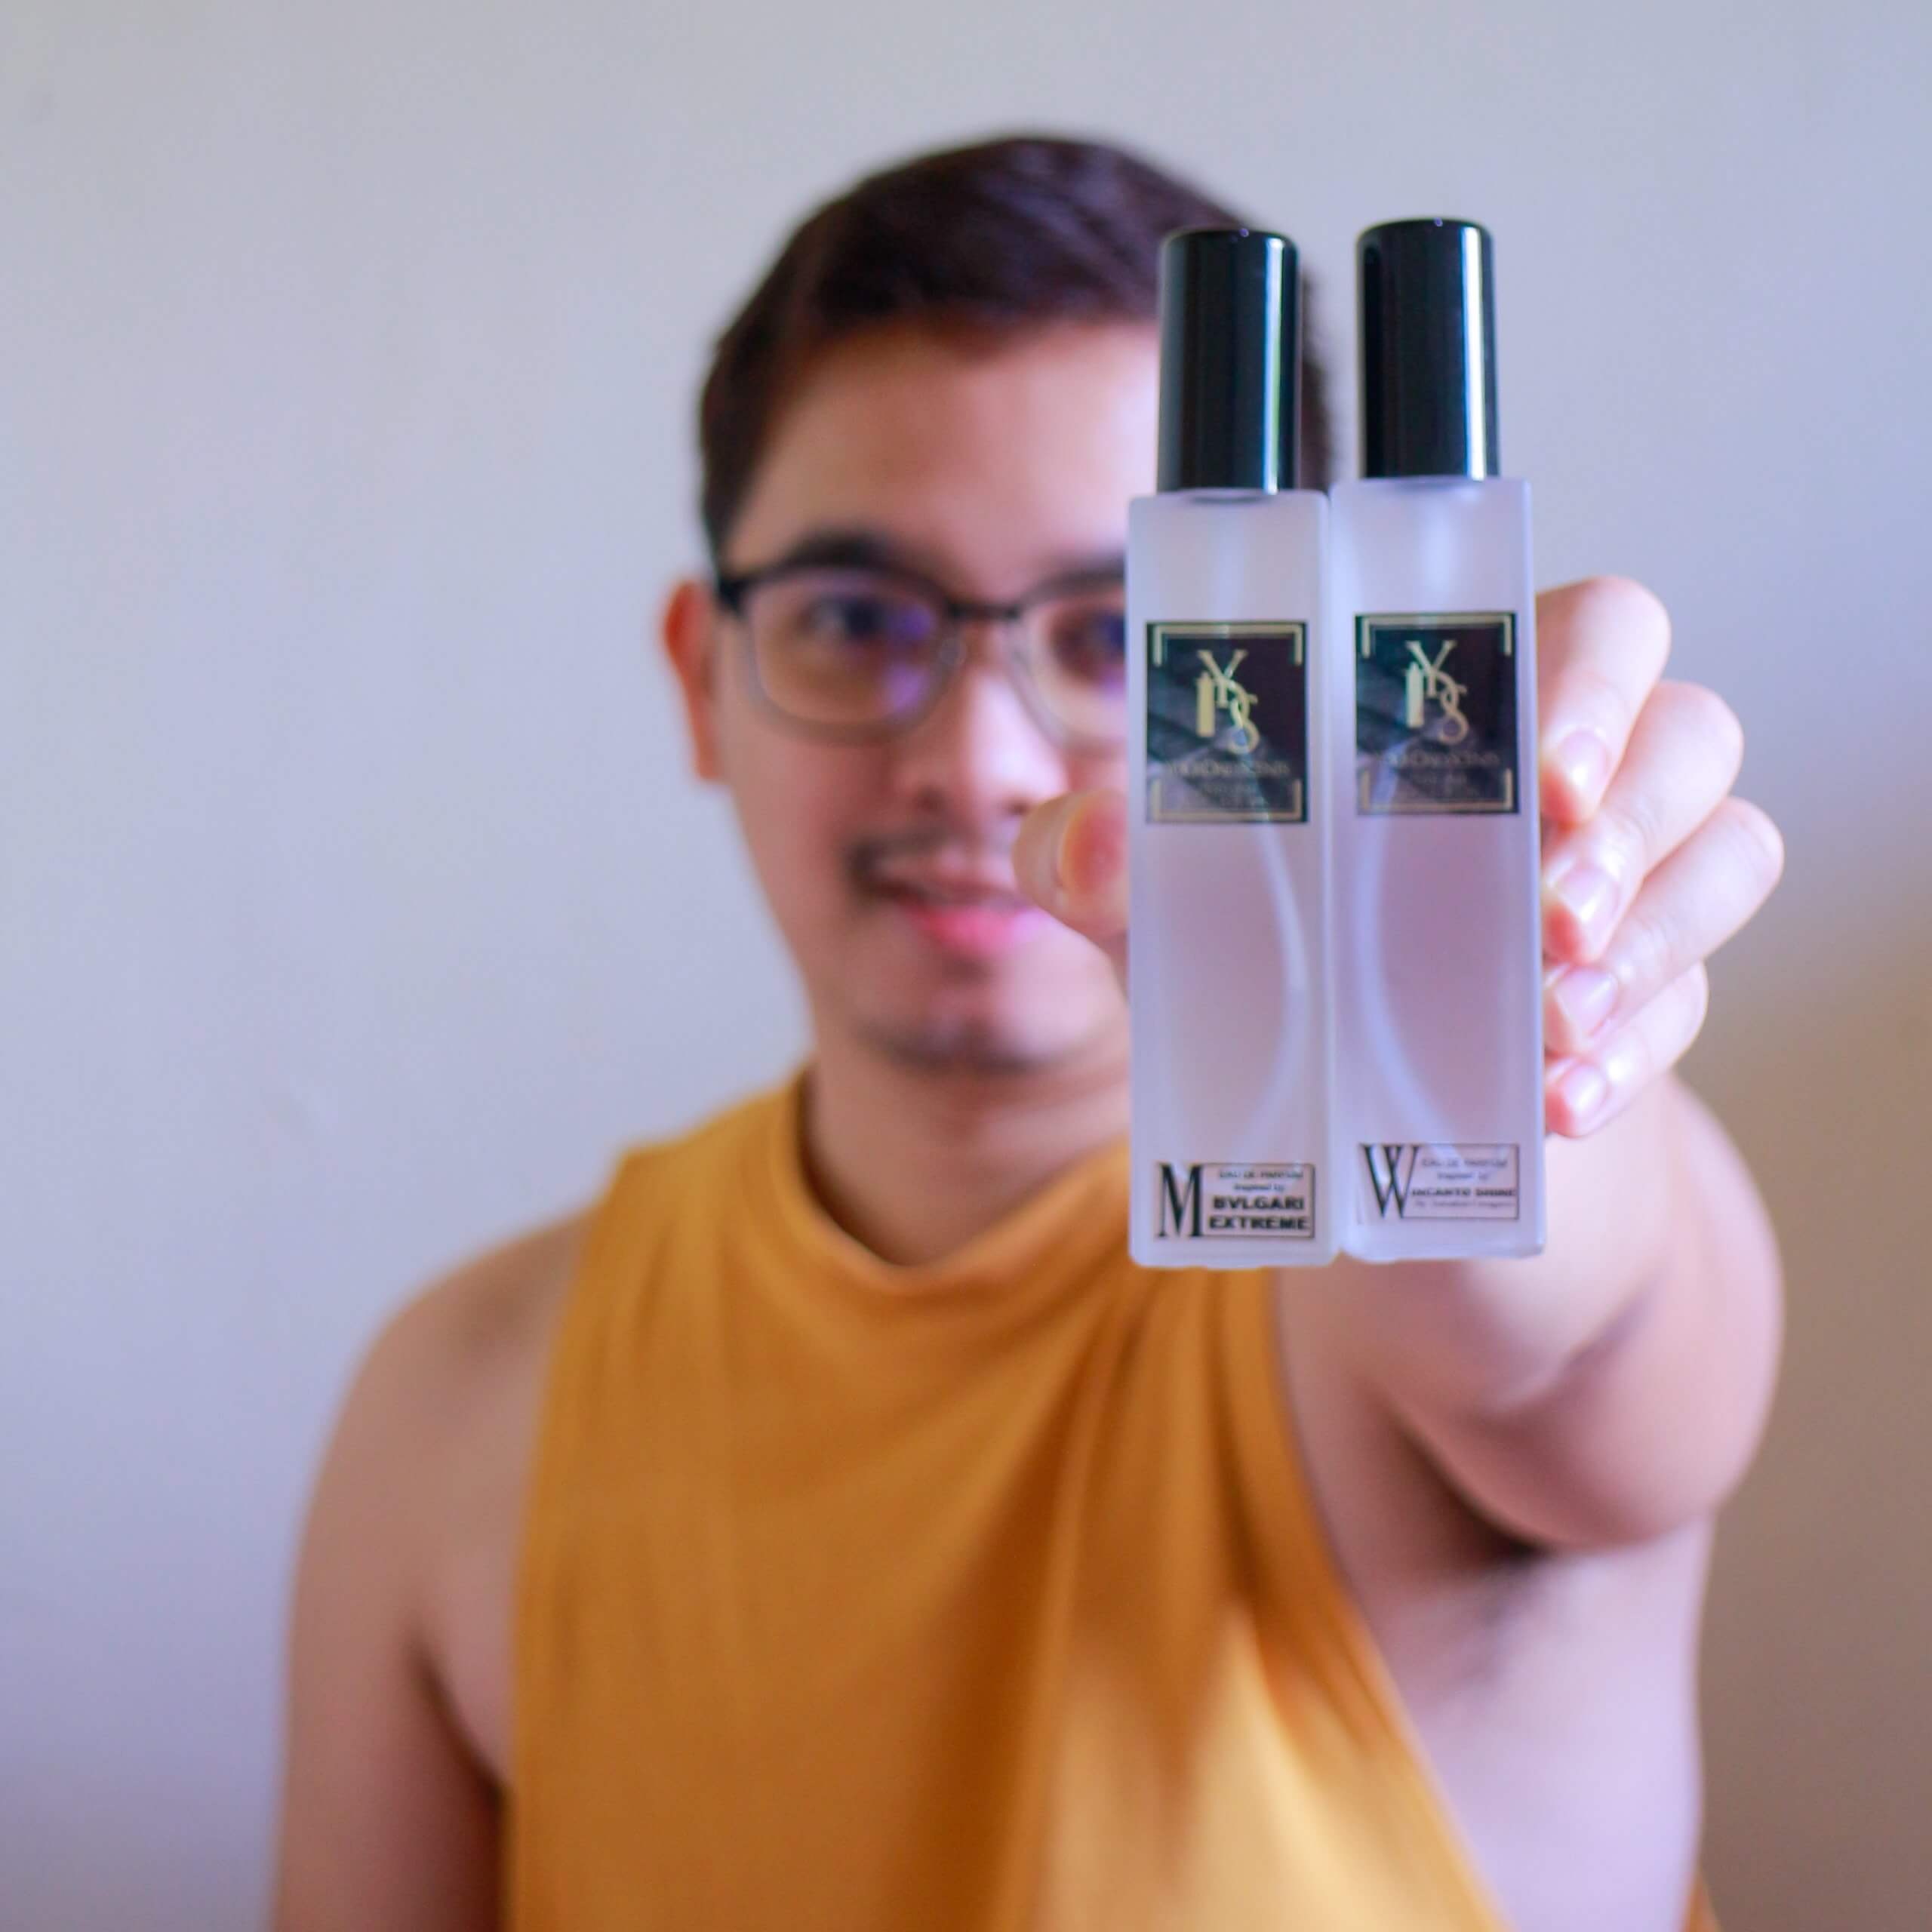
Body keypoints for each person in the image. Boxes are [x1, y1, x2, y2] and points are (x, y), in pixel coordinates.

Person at [271, 135, 1785, 1932]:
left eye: (1121, 633)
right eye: (856, 618)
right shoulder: (452, 1407)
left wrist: (1519, 985)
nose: (979, 760)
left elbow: (1553, 1320)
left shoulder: (1415, 1273)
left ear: (1324, 667)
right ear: (700, 677)